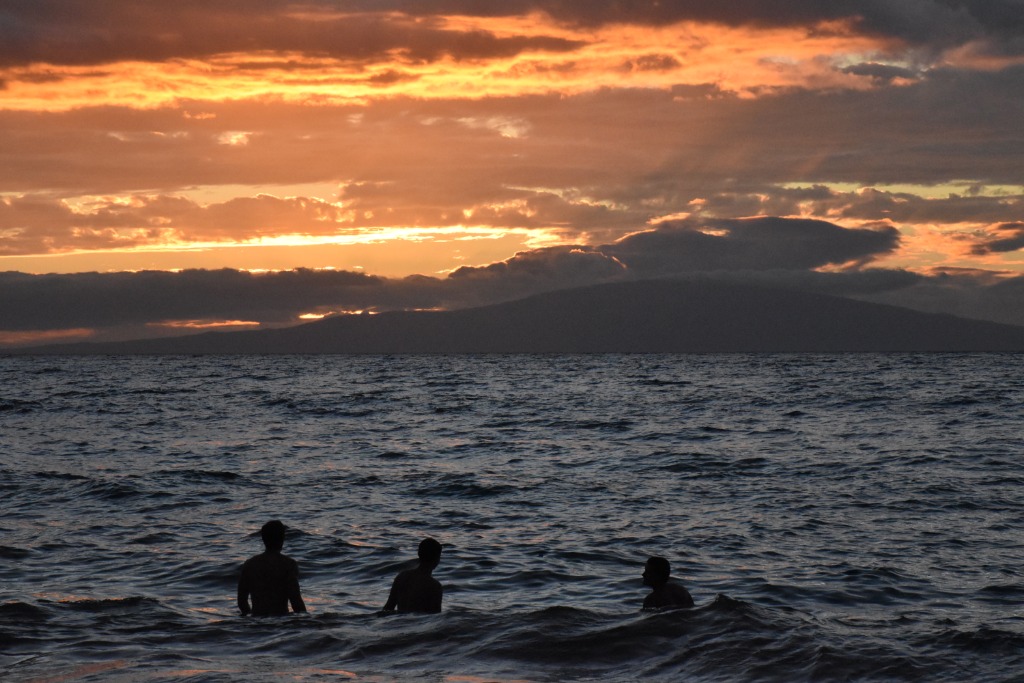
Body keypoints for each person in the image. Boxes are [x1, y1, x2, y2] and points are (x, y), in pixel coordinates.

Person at [237, 519, 307, 616]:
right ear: (282, 539)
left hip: (257, 620)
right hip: (281, 620)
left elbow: (242, 602)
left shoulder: (250, 564)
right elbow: (296, 601)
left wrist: (251, 618)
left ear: (263, 539)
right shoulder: (288, 564)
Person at [382, 538, 443, 613]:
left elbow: (388, 608)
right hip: (418, 623)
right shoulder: (434, 586)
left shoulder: (402, 577)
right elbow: (435, 616)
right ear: (437, 559)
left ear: (418, 554)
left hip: (399, 622)